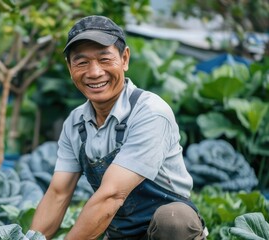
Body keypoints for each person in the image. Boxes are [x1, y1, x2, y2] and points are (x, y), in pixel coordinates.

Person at [28, 15, 207, 240]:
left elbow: (111, 196)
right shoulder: (75, 123)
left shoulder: (150, 112)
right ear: (70, 67)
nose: (94, 72)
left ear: (124, 59)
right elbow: (58, 194)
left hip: (167, 232)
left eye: (104, 59)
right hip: (119, 234)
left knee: (174, 219)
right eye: (82, 62)